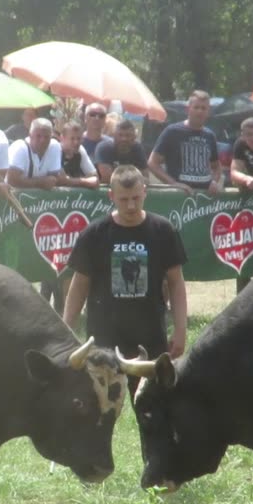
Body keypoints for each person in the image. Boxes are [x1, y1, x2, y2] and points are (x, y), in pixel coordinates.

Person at [63, 164, 187, 401]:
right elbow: (79, 287)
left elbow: (176, 284)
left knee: (156, 406)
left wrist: (180, 330)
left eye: (136, 198)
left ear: (145, 193)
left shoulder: (163, 230)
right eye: (123, 199)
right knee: (98, 407)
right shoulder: (94, 234)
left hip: (150, 334)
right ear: (111, 196)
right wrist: (66, 330)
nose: (130, 205)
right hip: (104, 338)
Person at [148, 90, 222, 193]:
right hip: (180, 197)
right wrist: (173, 183)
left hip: (205, 199)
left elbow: (217, 167)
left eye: (203, 108)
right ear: (188, 109)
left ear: (208, 112)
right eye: (196, 107)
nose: (200, 111)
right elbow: (152, 163)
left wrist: (214, 181)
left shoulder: (210, 135)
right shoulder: (172, 131)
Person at [7, 117, 64, 190]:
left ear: (51, 137)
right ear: (30, 135)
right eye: (38, 136)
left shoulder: (54, 146)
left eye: (46, 137)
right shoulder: (19, 148)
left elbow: (54, 178)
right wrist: (40, 183)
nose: (42, 140)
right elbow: (12, 181)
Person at [58, 120, 99, 189]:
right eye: (72, 139)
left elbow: (95, 177)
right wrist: (85, 182)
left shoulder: (80, 150)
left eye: (79, 138)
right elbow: (61, 180)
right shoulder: (56, 150)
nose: (76, 142)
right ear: (62, 138)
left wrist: (72, 181)